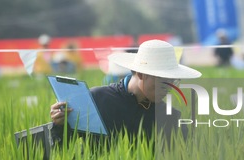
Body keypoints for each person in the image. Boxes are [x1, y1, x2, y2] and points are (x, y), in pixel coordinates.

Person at [50, 39, 202, 147]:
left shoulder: (170, 118)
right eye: (163, 81)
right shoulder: (98, 99)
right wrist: (60, 125)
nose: (168, 88)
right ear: (140, 73)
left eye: (173, 82)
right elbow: (63, 150)